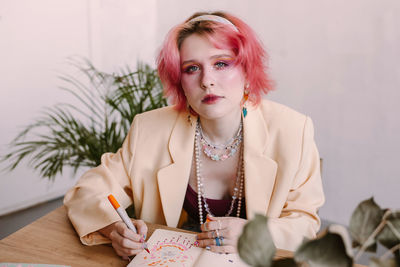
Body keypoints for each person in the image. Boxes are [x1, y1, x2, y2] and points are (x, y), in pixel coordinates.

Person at [64, 11, 324, 258]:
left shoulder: (293, 130)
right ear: (180, 82)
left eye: (221, 63)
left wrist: (257, 234)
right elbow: (87, 192)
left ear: (247, 71)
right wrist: (113, 229)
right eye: (192, 68)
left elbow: (305, 224)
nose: (207, 80)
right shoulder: (149, 129)